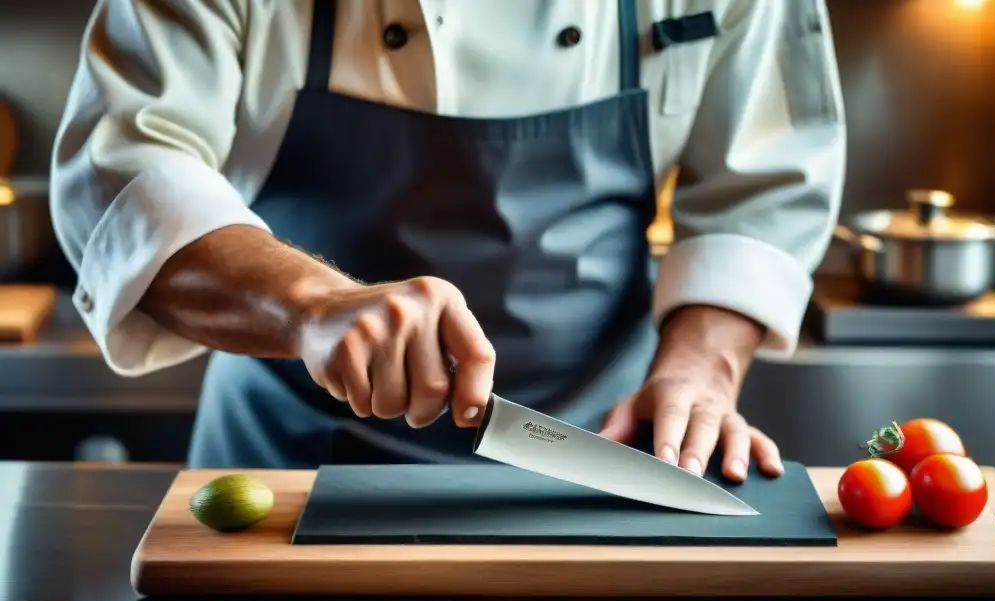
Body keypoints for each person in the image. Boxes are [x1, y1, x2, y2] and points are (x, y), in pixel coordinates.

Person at [51, 0, 845, 481]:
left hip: (607, 456)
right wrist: (314, 306)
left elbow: (764, 186)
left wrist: (703, 368)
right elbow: (122, 172)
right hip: (286, 457)